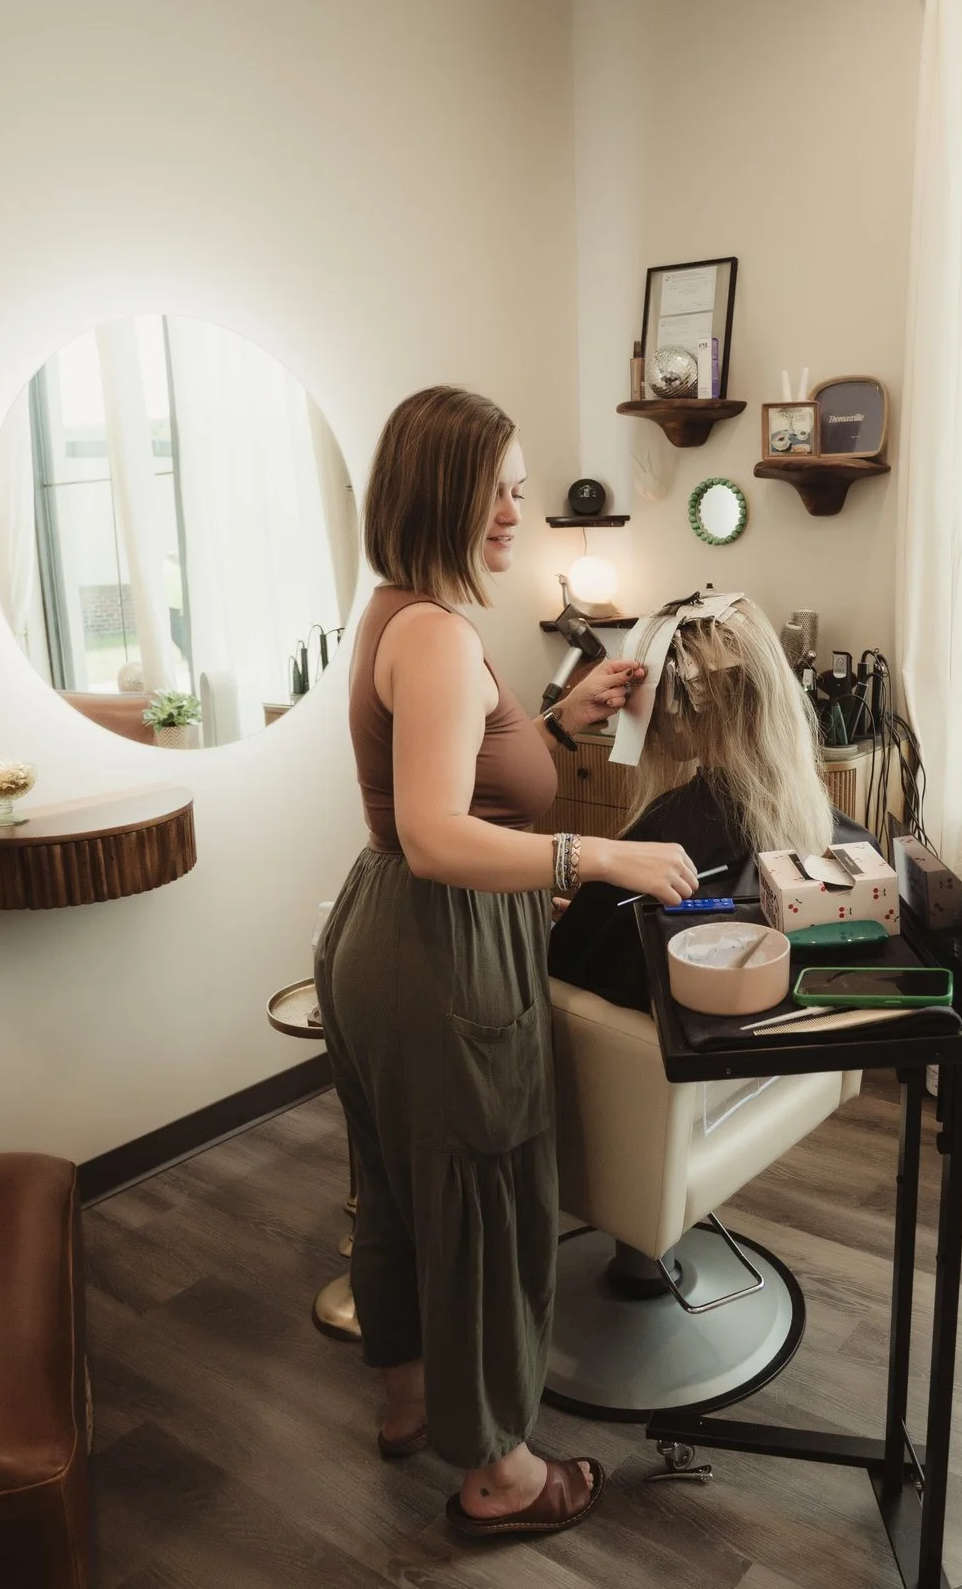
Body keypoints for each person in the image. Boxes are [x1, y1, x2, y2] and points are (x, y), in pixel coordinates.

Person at [313, 385, 698, 1541]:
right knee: (484, 1194)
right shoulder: (433, 636)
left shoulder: (401, 611)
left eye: (522, 489)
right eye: (505, 488)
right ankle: (501, 1474)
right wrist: (602, 857)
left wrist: (560, 716)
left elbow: (460, 767)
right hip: (440, 943)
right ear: (446, 488)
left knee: (393, 1184)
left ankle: (408, 1397)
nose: (518, 511)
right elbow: (441, 833)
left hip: (378, 929)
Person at [549, 594, 860, 1009]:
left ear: (679, 705)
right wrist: (607, 915)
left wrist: (592, 923)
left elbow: (577, 963)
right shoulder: (814, 815)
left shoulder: (669, 822)